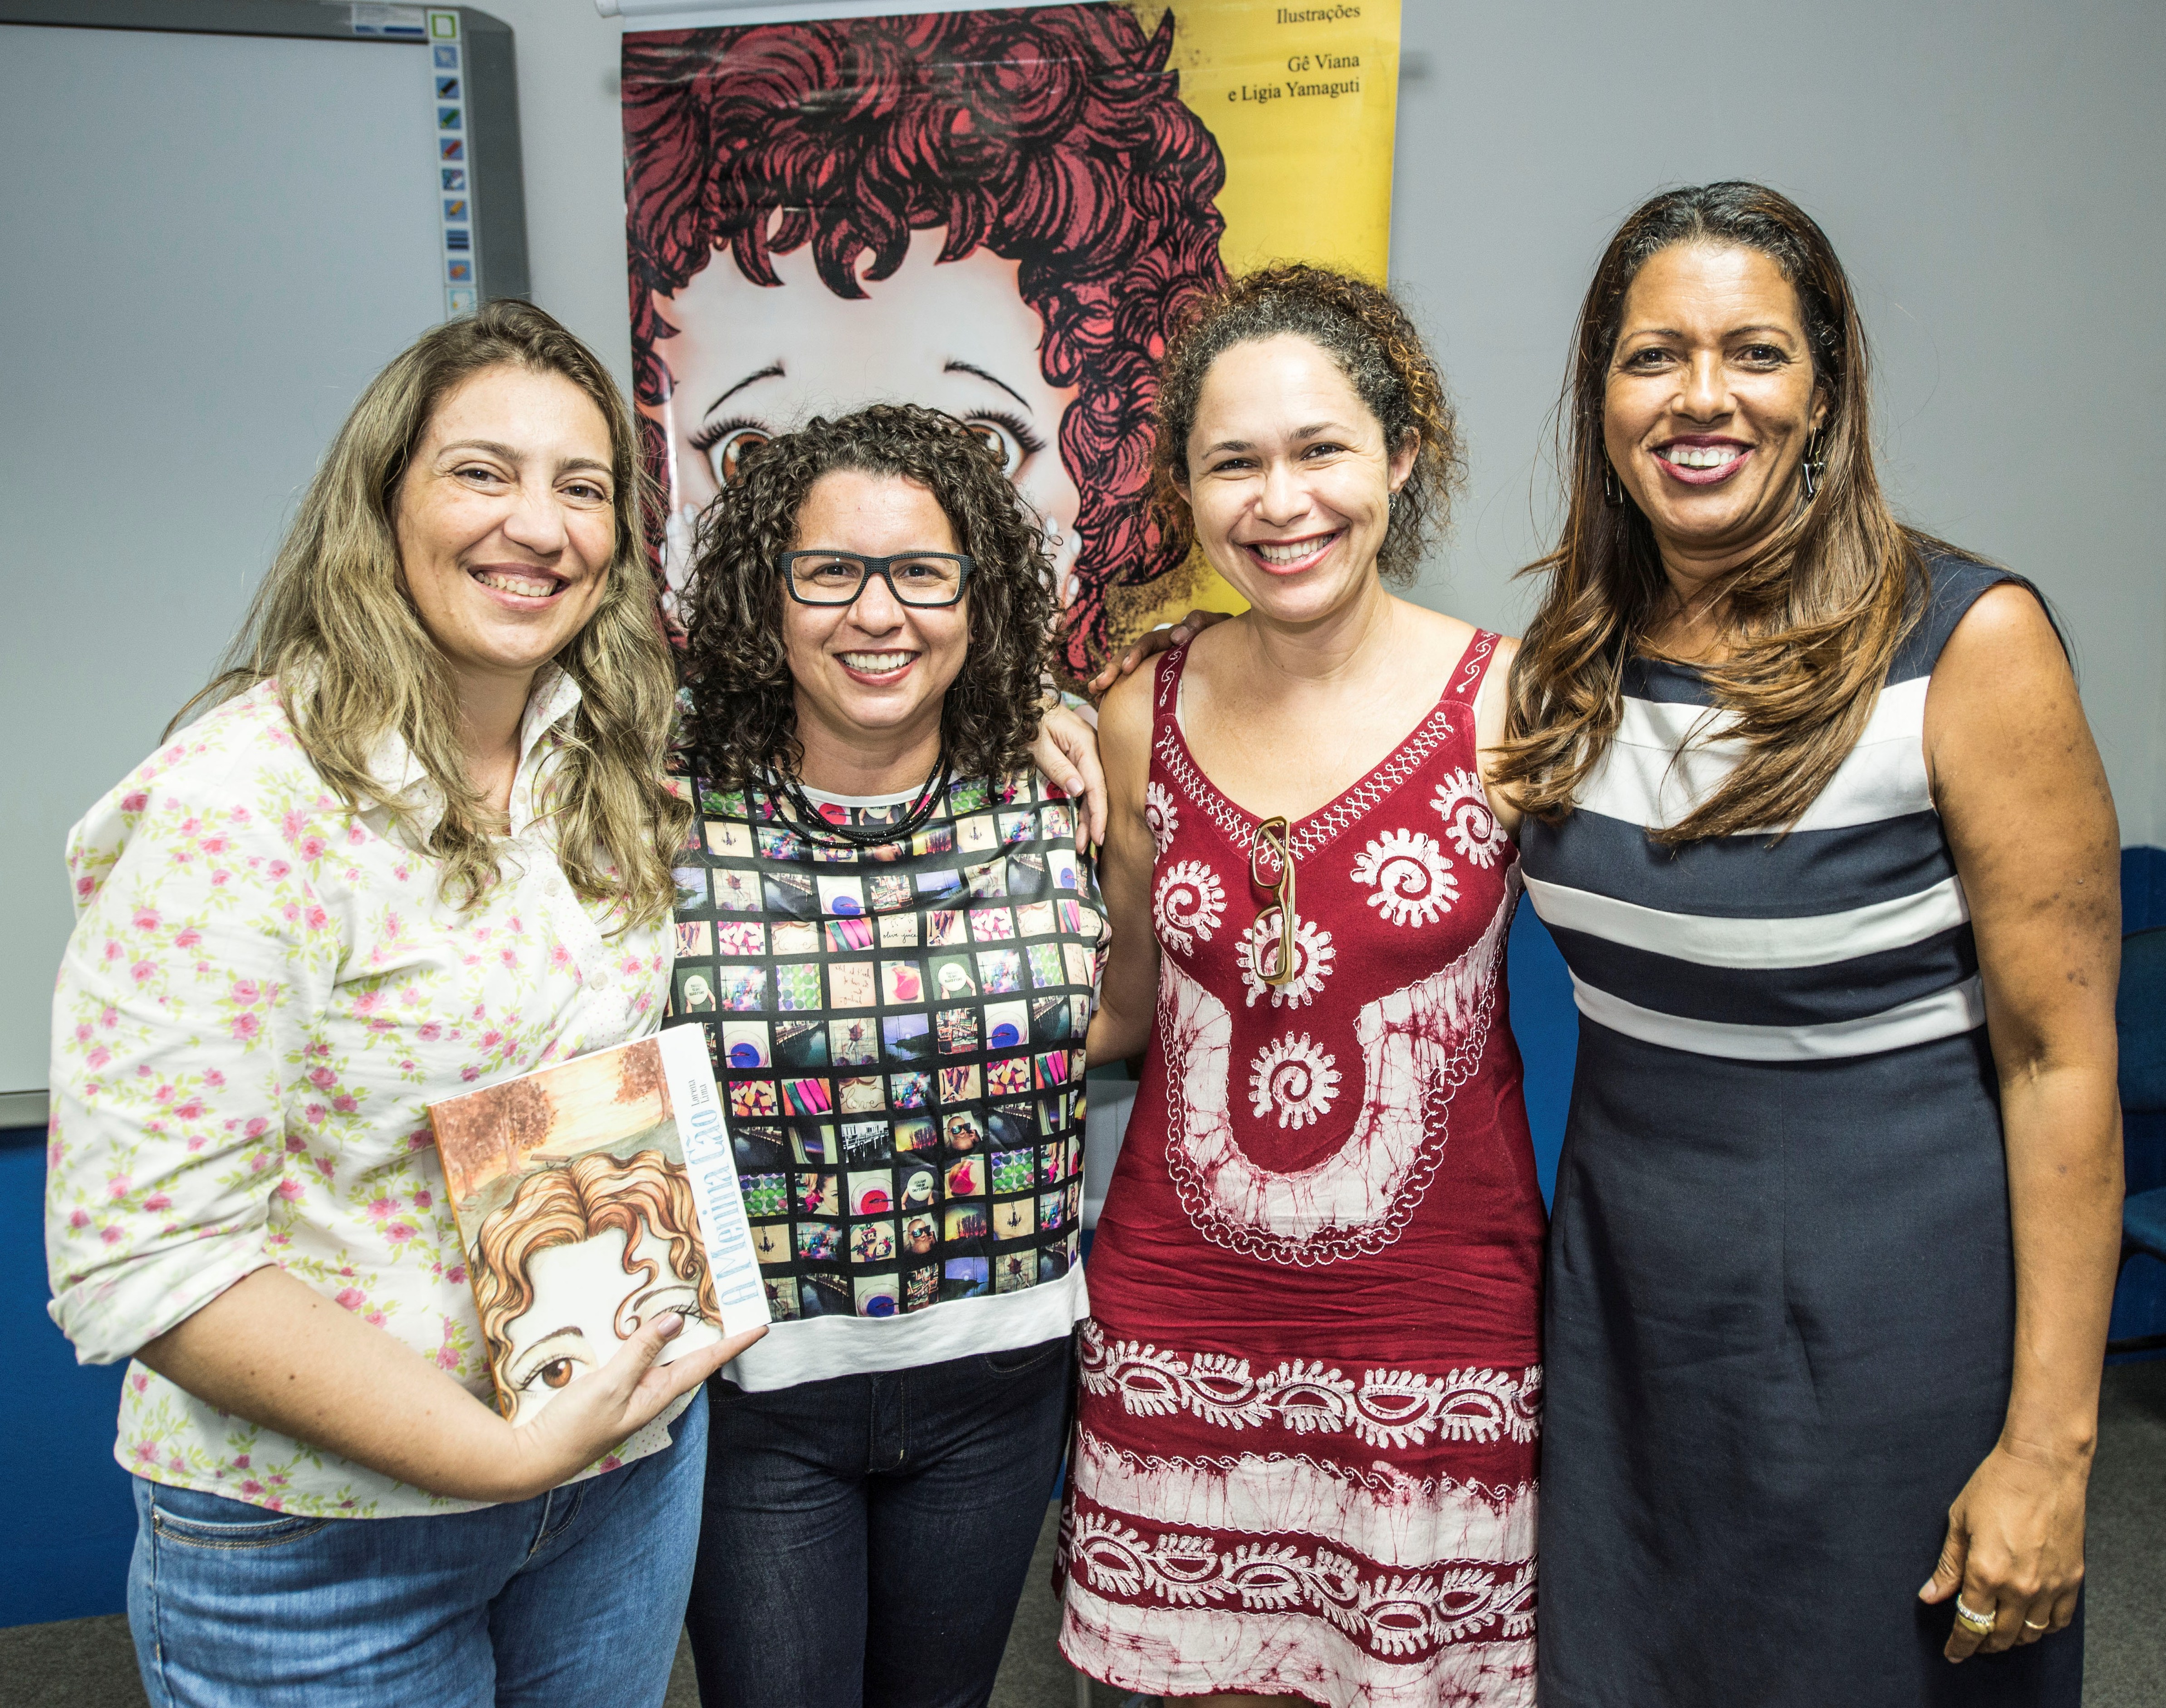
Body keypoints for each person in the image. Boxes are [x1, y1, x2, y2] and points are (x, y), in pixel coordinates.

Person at [44, 300, 763, 1706]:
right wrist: (497, 1454)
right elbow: (152, 1262)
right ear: (380, 504)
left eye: (583, 486)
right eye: (480, 472)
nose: (539, 526)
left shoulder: (597, 755)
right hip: (328, 1536)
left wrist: (1038, 715)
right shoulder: (241, 804)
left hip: (614, 1480)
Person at [1493, 183, 2122, 1707]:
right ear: (1600, 395)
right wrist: (1068, 724)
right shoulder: (1559, 665)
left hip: (1892, 1312)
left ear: (1824, 390)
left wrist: (2048, 1451)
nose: (1701, 398)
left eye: (1754, 353)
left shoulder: (1966, 646)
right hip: (1628, 1313)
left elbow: (2057, 1065)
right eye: (1653, 357)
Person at [1058, 266, 1546, 1707]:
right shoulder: (1139, 708)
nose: (1280, 501)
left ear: (1402, 456)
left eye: (1318, 449)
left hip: (1437, 1321)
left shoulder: (1515, 703)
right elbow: (1125, 1007)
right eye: (1233, 464)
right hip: (1175, 1313)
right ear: (1189, 493)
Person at [665, 403, 1108, 1708]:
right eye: (830, 573)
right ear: (768, 591)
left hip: (997, 1379)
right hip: (759, 1394)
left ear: (978, 597)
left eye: (922, 572)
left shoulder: (1054, 780)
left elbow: (1122, 1014)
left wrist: (1037, 703)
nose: (878, 613)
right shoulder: (662, 785)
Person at [622, 5, 1231, 673]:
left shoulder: (1112, 750)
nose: (875, 604)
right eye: (750, 456)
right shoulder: (639, 770)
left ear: (1107, 456)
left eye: (982, 447)